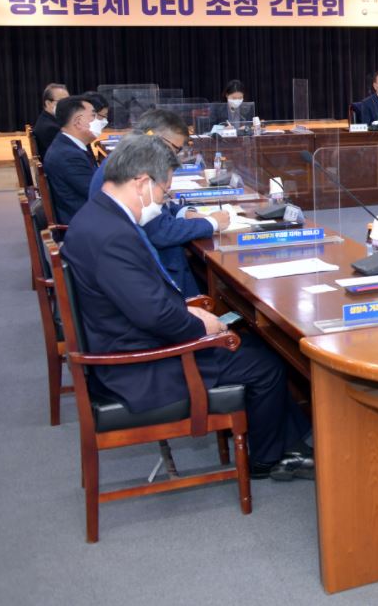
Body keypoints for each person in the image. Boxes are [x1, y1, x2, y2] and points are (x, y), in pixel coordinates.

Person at [61, 133, 313, 480]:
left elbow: (141, 300)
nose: (162, 201)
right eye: (164, 192)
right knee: (265, 363)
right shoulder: (112, 236)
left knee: (254, 344)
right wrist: (201, 325)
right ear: (142, 183)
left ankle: (289, 444)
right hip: (136, 366)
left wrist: (188, 310)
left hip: (126, 337)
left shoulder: (98, 216)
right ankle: (267, 459)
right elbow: (153, 314)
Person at [89, 109, 230, 296]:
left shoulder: (127, 157)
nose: (176, 156)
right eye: (176, 149)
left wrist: (185, 212)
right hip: (154, 273)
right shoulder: (135, 168)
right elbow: (160, 232)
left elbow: (161, 202)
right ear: (155, 138)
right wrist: (211, 223)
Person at [44, 95, 107, 224]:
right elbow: (100, 194)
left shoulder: (67, 145)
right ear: (78, 122)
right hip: (84, 222)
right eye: (93, 116)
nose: (99, 121)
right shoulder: (68, 156)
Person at [34, 82, 69, 162]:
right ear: (48, 103)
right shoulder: (50, 127)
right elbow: (65, 153)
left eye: (68, 101)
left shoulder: (48, 119)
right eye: (63, 101)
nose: (67, 105)